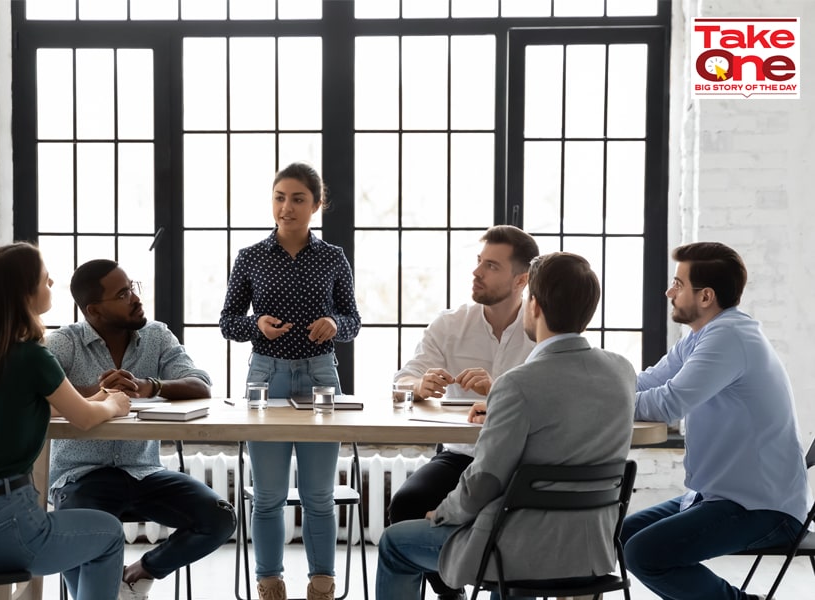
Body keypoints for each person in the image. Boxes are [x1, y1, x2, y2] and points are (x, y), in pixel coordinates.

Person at [376, 252, 636, 600]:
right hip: (592, 551)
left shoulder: (516, 384)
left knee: (394, 543)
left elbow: (483, 482)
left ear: (535, 307)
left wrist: (441, 512)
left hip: (515, 550)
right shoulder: (622, 372)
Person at [0, 242, 130, 600]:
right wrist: (114, 404)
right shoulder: (31, 357)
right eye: (45, 280)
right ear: (24, 294)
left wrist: (93, 398)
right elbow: (86, 419)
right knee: (108, 534)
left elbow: (18, 404)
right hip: (5, 530)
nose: (52, 283)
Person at [623, 242, 809, 600]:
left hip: (760, 508)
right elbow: (647, 382)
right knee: (620, 537)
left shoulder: (729, 337)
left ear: (705, 296)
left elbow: (668, 402)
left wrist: (594, 408)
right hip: (716, 497)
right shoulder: (701, 336)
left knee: (643, 553)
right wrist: (586, 386)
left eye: (678, 284)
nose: (669, 292)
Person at [46, 259, 237, 600]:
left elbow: (201, 384)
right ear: (95, 311)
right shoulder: (65, 343)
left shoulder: (156, 336)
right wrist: (98, 391)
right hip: (80, 476)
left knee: (219, 519)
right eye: (123, 294)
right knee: (84, 537)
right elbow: (34, 395)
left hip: (142, 472)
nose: (135, 298)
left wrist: (153, 386)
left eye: (132, 287)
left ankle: (138, 574)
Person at [220, 161, 361, 600]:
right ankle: (269, 580)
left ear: (317, 205)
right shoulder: (250, 257)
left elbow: (353, 320)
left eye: (298, 198)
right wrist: (255, 325)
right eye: (280, 197)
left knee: (319, 494)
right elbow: (227, 322)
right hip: (266, 376)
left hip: (321, 375)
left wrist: (335, 325)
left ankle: (322, 579)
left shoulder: (333, 257)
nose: (287, 207)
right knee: (268, 495)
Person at [389, 224, 538, 600]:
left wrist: (498, 390)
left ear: (521, 279)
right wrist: (418, 387)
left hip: (521, 460)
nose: (476, 272)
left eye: (491, 266)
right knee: (406, 503)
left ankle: (503, 587)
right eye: (478, 262)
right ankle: (449, 591)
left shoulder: (540, 329)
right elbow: (402, 380)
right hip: (462, 456)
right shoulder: (451, 324)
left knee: (522, 523)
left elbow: (552, 398)